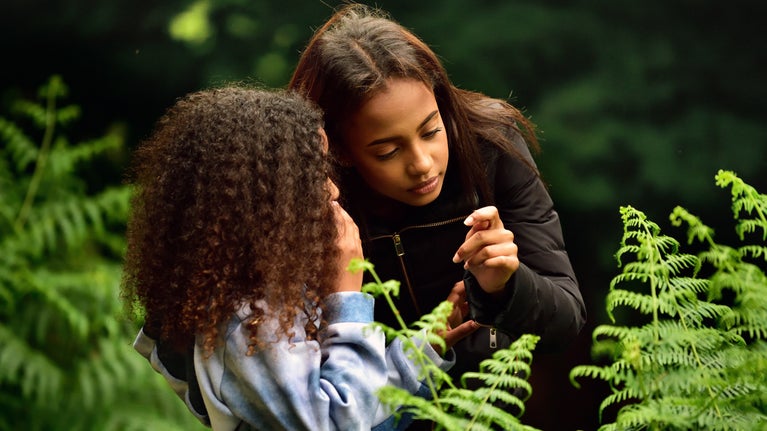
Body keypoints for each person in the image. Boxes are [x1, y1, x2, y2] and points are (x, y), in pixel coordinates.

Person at [288, 2, 586, 398]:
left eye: (430, 131)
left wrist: (506, 285)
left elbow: (566, 321)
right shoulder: (310, 194)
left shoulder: (492, 146)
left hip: (490, 408)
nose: (422, 164)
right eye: (387, 152)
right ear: (339, 150)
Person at [121, 86, 454, 431]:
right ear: (263, 201)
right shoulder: (246, 321)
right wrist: (347, 299)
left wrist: (424, 352)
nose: (334, 191)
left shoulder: (264, 297)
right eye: (312, 178)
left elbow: (357, 403)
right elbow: (339, 424)